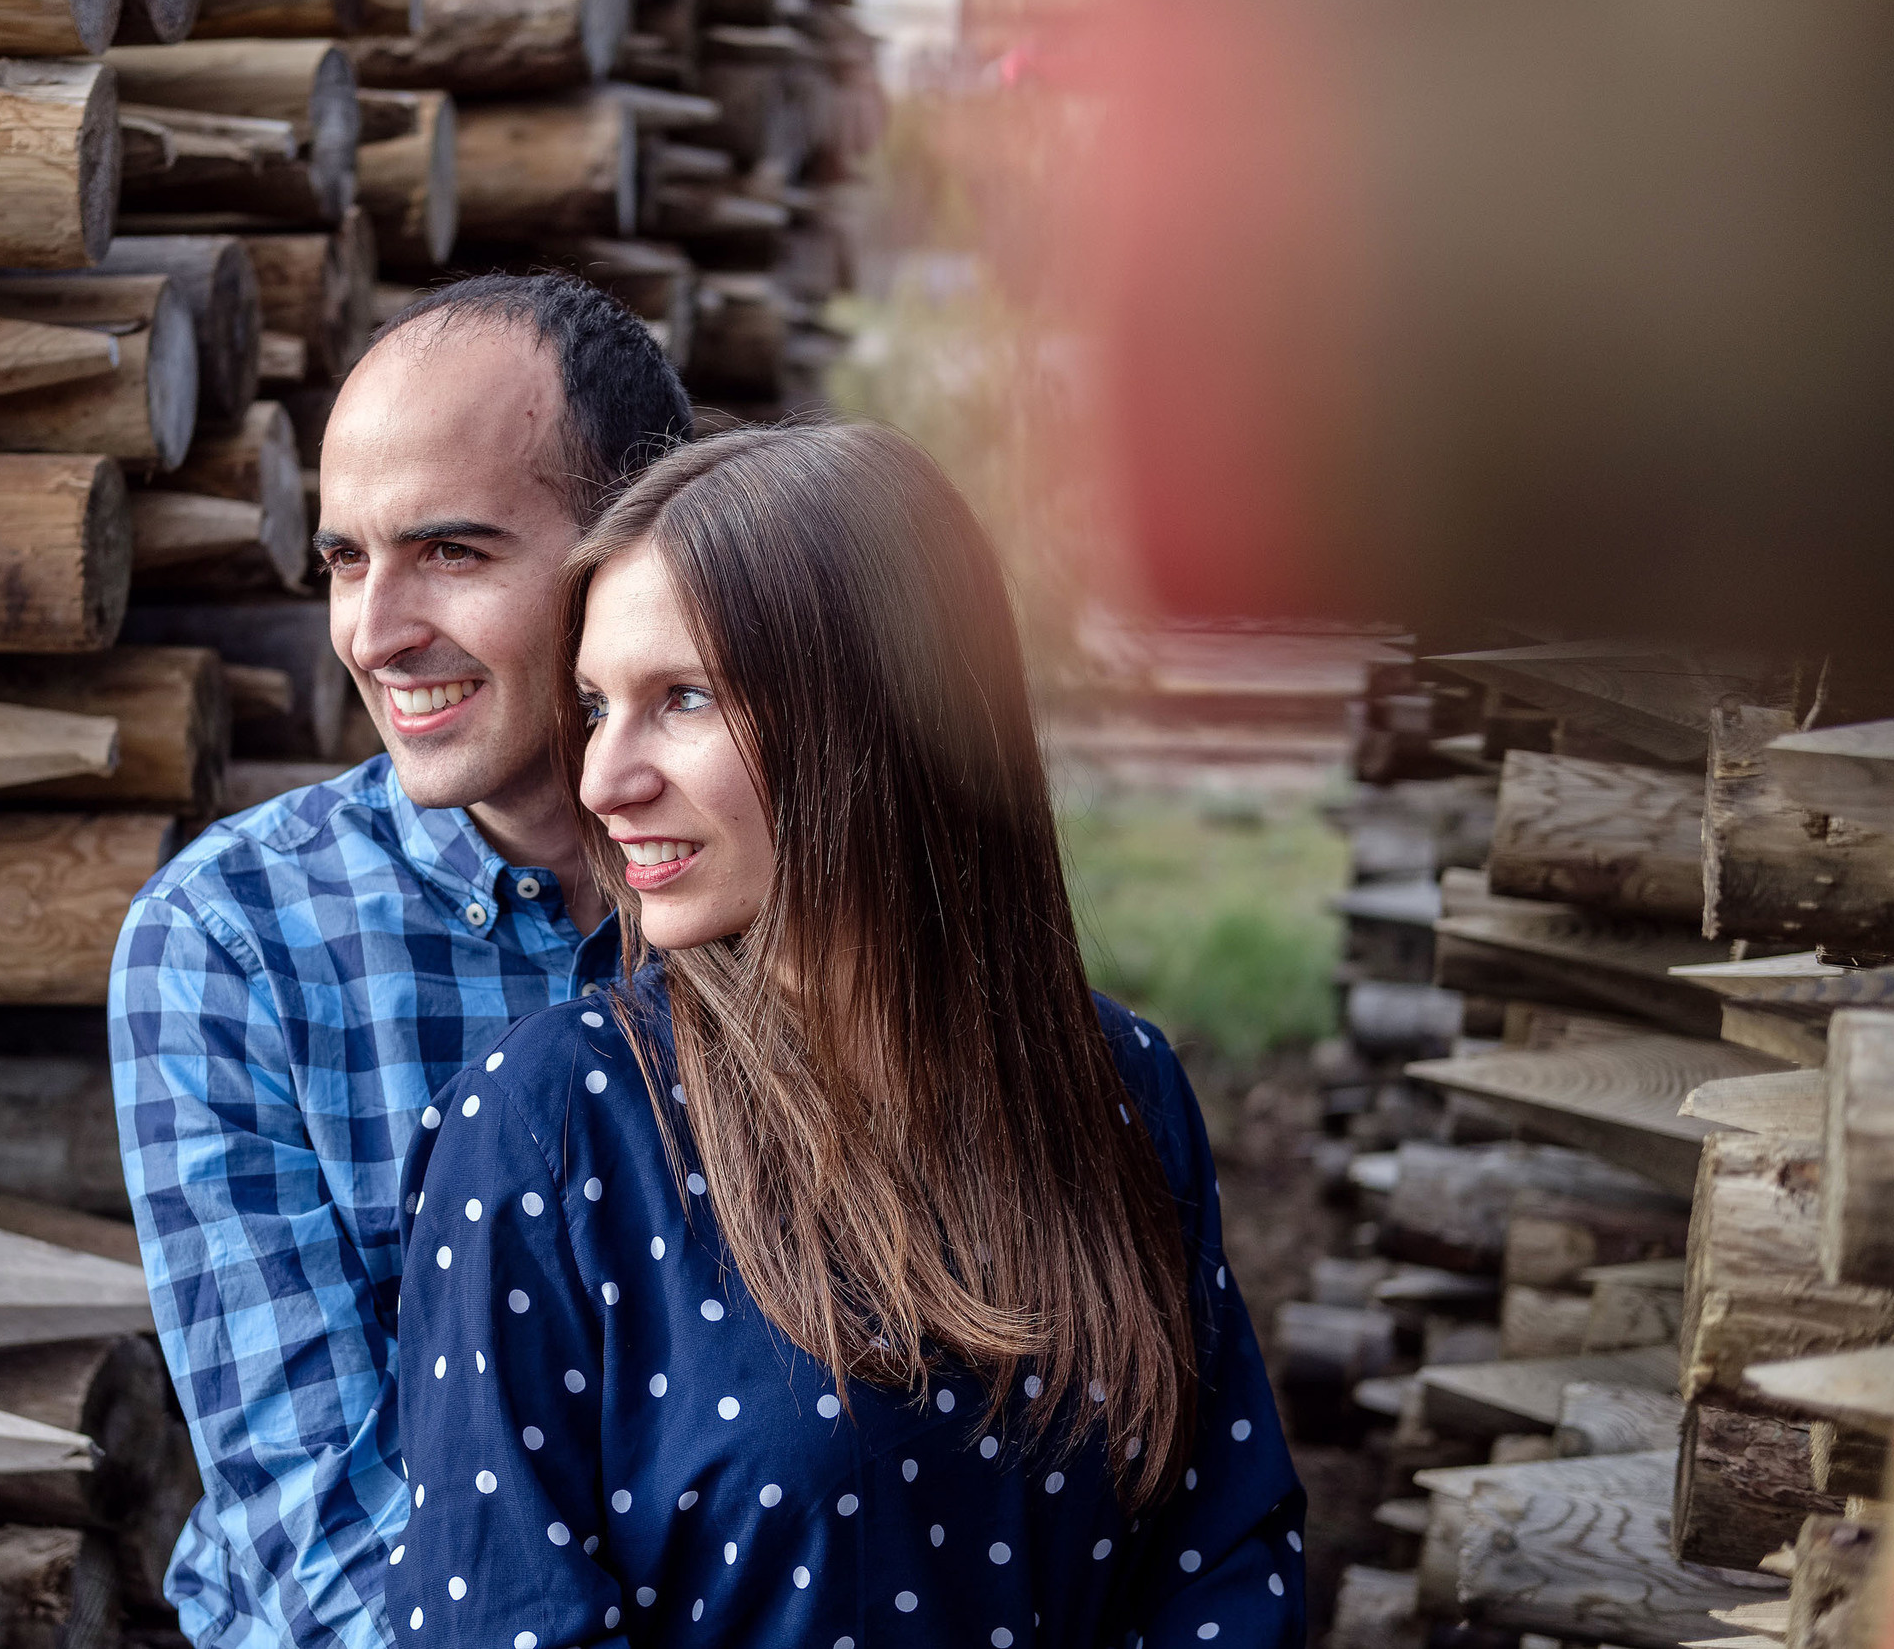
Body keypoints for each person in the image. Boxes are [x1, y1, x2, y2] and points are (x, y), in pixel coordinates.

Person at [389, 423, 1305, 1647]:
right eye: (598, 706)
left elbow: (1224, 1559)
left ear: (876, 712)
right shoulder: (556, 1124)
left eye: (684, 699)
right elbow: (499, 1617)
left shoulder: (1117, 1088)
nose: (604, 780)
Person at [110, 274, 691, 1649]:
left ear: (637, 550)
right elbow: (329, 1524)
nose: (374, 633)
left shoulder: (778, 896)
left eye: (451, 551)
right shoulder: (231, 941)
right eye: (346, 559)